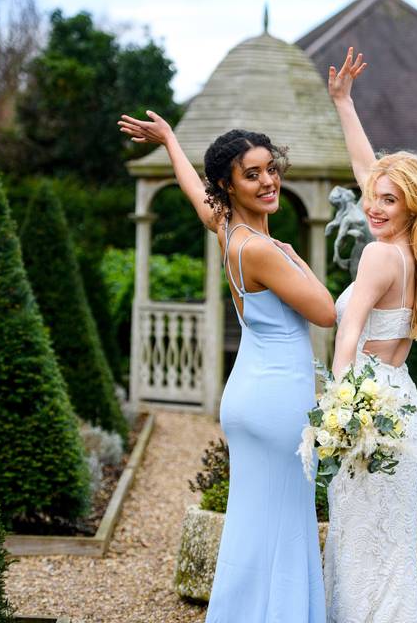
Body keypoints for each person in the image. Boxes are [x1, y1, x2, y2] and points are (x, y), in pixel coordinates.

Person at [118, 112, 335, 623]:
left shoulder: (226, 232)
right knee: (284, 521)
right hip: (277, 398)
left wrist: (171, 139)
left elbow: (197, 197)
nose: (268, 181)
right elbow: (325, 311)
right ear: (229, 184)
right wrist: (296, 259)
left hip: (250, 395)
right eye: (252, 174)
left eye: (270, 169)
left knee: (254, 522)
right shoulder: (262, 249)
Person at [323, 48, 417, 623]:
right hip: (400, 401)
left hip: (370, 408)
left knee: (359, 544)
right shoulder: (416, 257)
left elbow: (347, 335)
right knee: (388, 550)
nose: (372, 206)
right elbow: (368, 172)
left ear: (410, 207)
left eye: (387, 200)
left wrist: (339, 408)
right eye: (372, 197)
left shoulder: (379, 256)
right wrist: (345, 104)